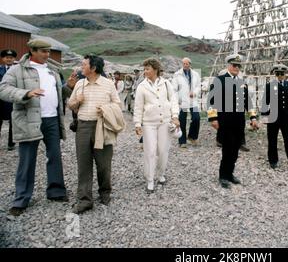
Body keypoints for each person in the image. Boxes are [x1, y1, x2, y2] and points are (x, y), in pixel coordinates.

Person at [0, 40, 68, 216]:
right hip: (29, 119)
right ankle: (21, 199)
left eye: (48, 51)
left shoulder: (52, 70)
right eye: (43, 51)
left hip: (51, 119)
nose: (47, 55)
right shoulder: (18, 69)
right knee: (27, 159)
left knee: (54, 156)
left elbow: (59, 93)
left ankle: (56, 191)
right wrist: (26, 94)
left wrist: (69, 87)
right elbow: (3, 89)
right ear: (32, 51)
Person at [68, 55, 124, 214]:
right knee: (83, 165)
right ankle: (85, 200)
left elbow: (118, 104)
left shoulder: (108, 85)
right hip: (83, 127)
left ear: (93, 68)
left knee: (104, 164)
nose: (81, 67)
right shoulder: (79, 84)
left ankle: (105, 192)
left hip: (103, 126)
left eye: (84, 64)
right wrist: (76, 101)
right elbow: (70, 105)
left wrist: (106, 109)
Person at [207, 53, 259, 189]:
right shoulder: (219, 80)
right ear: (228, 65)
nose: (236, 68)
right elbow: (211, 101)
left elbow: (248, 102)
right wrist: (213, 118)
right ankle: (223, 176)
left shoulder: (241, 83)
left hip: (239, 122)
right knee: (227, 149)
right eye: (234, 65)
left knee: (235, 149)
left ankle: (230, 173)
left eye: (238, 66)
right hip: (225, 121)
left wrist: (253, 117)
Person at [133, 58, 180, 192]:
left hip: (165, 122)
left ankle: (161, 174)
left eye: (147, 69)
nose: (145, 71)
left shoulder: (166, 84)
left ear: (155, 69)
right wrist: (137, 123)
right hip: (149, 123)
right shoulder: (142, 86)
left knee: (163, 150)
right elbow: (138, 106)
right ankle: (150, 179)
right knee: (150, 151)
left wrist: (175, 116)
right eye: (144, 69)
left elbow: (173, 101)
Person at [261, 64, 288, 172]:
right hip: (273, 117)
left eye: (282, 74)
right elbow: (265, 102)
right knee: (272, 140)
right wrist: (265, 116)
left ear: (285, 74)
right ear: (275, 74)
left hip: (287, 118)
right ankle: (273, 161)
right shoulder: (269, 85)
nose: (280, 76)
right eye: (278, 74)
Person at [171, 57, 201, 148]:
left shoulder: (196, 74)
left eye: (187, 63)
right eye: (183, 63)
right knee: (182, 121)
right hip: (182, 101)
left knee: (196, 118)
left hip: (193, 101)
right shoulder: (177, 75)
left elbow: (198, 86)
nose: (185, 65)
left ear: (190, 64)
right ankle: (182, 141)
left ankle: (192, 137)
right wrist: (177, 100)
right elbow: (174, 89)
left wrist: (195, 92)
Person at [0, 49, 17, 151]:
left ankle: (11, 143)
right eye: (7, 58)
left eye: (11, 58)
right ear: (3, 59)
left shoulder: (17, 71)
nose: (9, 59)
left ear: (14, 59)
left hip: (12, 100)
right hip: (1, 101)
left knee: (13, 123)